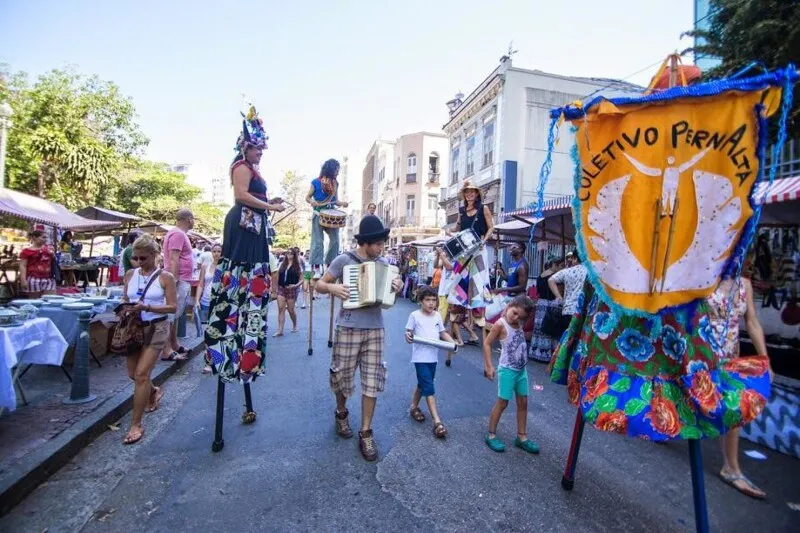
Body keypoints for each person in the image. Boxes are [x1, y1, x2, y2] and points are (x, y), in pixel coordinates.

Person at [204, 105, 285, 393]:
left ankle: (247, 350)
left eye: (262, 149)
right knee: (240, 279)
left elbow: (254, 195)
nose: (261, 153)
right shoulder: (240, 167)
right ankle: (227, 343)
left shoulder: (252, 169)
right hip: (243, 225)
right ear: (246, 147)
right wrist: (270, 206)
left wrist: (268, 202)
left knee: (253, 280)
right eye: (257, 149)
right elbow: (241, 196)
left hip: (254, 226)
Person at [315, 215, 403, 461]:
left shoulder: (385, 263)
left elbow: (390, 300)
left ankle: (366, 431)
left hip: (375, 328)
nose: (381, 248)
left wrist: (398, 285)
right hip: (348, 327)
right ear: (365, 242)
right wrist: (333, 288)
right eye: (377, 244)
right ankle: (341, 413)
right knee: (342, 376)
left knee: (372, 381)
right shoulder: (344, 260)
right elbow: (319, 284)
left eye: (382, 244)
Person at [709, 277, 772, 499]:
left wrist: (764, 359)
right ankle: (664, 432)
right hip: (701, 361)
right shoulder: (701, 279)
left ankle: (731, 468)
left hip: (731, 361)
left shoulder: (744, 285)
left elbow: (752, 322)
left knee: (734, 407)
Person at [120, 235, 178, 444]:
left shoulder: (166, 277)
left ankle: (135, 424)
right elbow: (125, 298)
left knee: (142, 374)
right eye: (135, 258)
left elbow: (173, 306)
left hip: (157, 327)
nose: (139, 262)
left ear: (154, 255)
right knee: (133, 374)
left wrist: (148, 307)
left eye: (143, 258)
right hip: (135, 327)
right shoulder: (129, 274)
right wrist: (124, 306)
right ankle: (153, 391)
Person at [482, 295, 539, 454]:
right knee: (503, 403)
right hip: (507, 370)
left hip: (521, 370)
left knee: (523, 402)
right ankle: (491, 435)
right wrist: (489, 365)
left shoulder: (519, 323)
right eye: (514, 313)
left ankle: (522, 437)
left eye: (520, 317)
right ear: (509, 306)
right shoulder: (500, 325)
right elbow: (487, 343)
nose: (515, 318)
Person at [405, 285, 456, 438]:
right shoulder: (414, 315)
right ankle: (437, 422)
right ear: (420, 301)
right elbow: (408, 332)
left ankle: (413, 407)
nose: (431, 303)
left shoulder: (437, 316)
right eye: (427, 300)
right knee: (429, 387)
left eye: (434, 300)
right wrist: (408, 336)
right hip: (420, 358)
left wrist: (452, 343)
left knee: (423, 384)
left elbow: (442, 333)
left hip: (433, 357)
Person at [445, 180, 495, 333]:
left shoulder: (483, 208)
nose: (469, 194)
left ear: (477, 193)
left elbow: (491, 227)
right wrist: (450, 231)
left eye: (472, 191)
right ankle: (458, 305)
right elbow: (458, 227)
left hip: (478, 248)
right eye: (467, 192)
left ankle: (477, 310)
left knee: (478, 278)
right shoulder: (461, 210)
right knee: (459, 276)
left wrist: (484, 241)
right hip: (464, 250)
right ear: (464, 194)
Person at [161, 209, 196, 362]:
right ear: (189, 219)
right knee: (170, 315)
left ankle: (174, 344)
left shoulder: (180, 234)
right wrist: (173, 280)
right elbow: (174, 258)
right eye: (193, 219)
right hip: (178, 279)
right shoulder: (178, 234)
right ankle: (167, 349)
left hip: (182, 279)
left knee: (175, 315)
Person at [306, 159, 349, 273]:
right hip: (318, 213)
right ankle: (316, 266)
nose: (338, 172)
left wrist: (343, 203)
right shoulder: (315, 182)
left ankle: (330, 264)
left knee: (335, 241)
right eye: (336, 169)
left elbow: (336, 201)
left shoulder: (335, 183)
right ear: (330, 169)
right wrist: (312, 202)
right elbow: (308, 197)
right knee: (318, 241)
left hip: (331, 214)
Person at [529, 257, 563, 362]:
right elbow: (558, 293)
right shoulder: (554, 277)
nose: (561, 269)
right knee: (549, 328)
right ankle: (547, 354)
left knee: (539, 329)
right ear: (554, 265)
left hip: (541, 304)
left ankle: (536, 352)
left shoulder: (541, 275)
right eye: (561, 266)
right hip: (550, 305)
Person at [548, 251, 587, 334]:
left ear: (575, 258)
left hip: (568, 310)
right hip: (583, 311)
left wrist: (559, 297)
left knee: (567, 339)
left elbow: (551, 280)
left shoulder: (567, 271)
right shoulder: (591, 272)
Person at [274, 247, 302, 336]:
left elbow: (302, 279)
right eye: (288, 253)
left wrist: (296, 285)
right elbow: (277, 275)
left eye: (291, 253)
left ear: (294, 255)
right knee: (281, 309)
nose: (289, 254)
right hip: (281, 288)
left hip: (291, 289)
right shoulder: (282, 264)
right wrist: (275, 288)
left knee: (291, 310)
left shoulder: (297, 266)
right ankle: (280, 330)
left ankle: (295, 324)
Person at [19, 230, 56, 296]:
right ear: (34, 237)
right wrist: (23, 280)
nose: (45, 239)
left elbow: (53, 262)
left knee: (51, 300)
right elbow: (23, 265)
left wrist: (53, 255)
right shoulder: (26, 251)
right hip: (34, 279)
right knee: (35, 302)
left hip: (49, 278)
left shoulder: (49, 250)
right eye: (43, 237)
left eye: (46, 238)